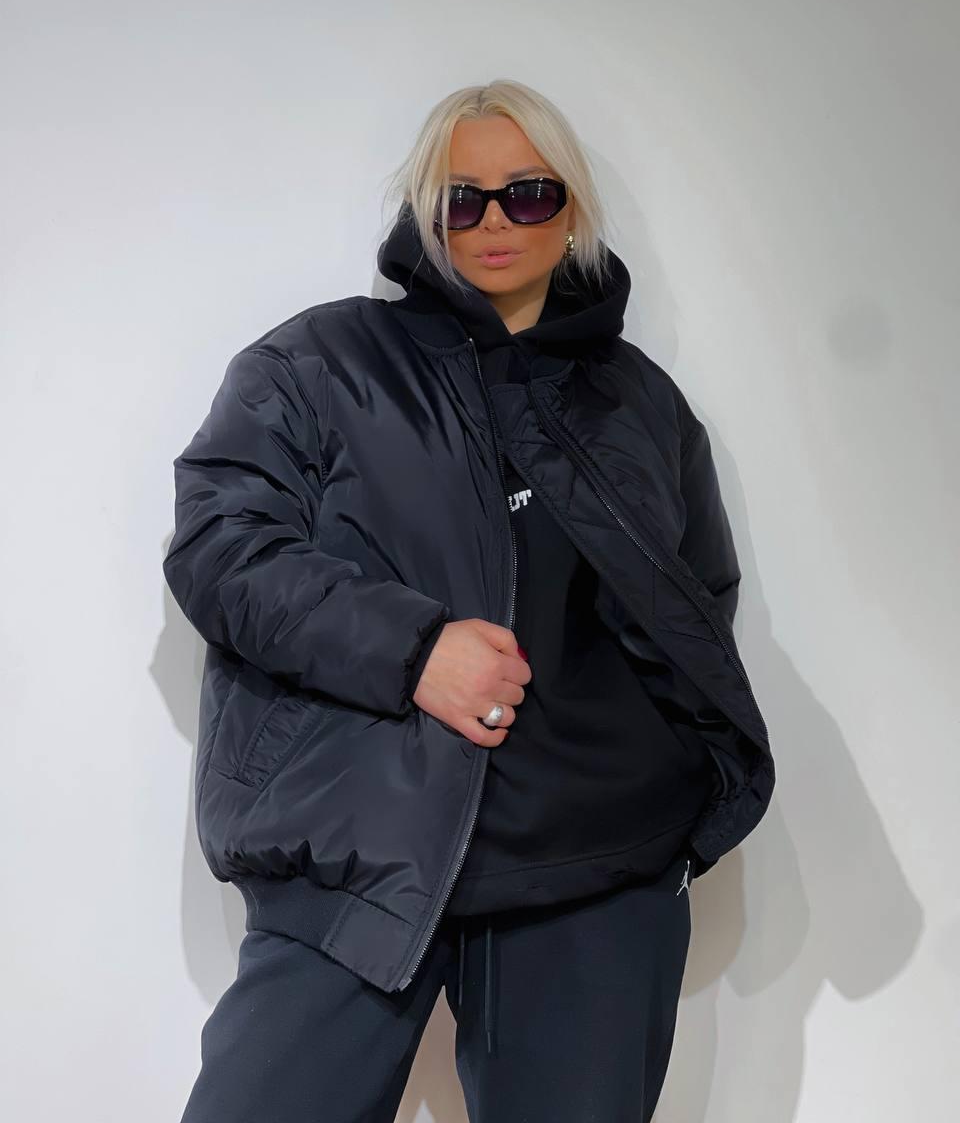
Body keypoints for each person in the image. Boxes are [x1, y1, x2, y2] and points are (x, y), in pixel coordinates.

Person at [163, 78, 775, 1122]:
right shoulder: (319, 366)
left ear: (571, 211)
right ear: (426, 213)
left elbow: (697, 601)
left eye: (528, 194)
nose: (495, 221)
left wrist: (684, 796)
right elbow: (222, 549)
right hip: (363, 844)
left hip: (595, 868)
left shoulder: (641, 403)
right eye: (463, 198)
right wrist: (415, 651)